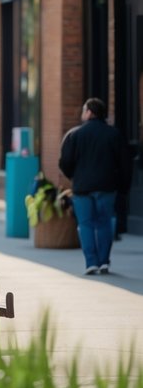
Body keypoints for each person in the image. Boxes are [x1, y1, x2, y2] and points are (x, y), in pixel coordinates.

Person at [59, 98, 129, 275]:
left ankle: (91, 262)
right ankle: (104, 261)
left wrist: (74, 176)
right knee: (105, 223)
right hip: (107, 187)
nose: (82, 113)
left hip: (82, 188)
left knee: (85, 225)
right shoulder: (114, 134)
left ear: (90, 112)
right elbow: (125, 163)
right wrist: (122, 186)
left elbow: (65, 162)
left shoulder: (75, 135)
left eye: (84, 110)